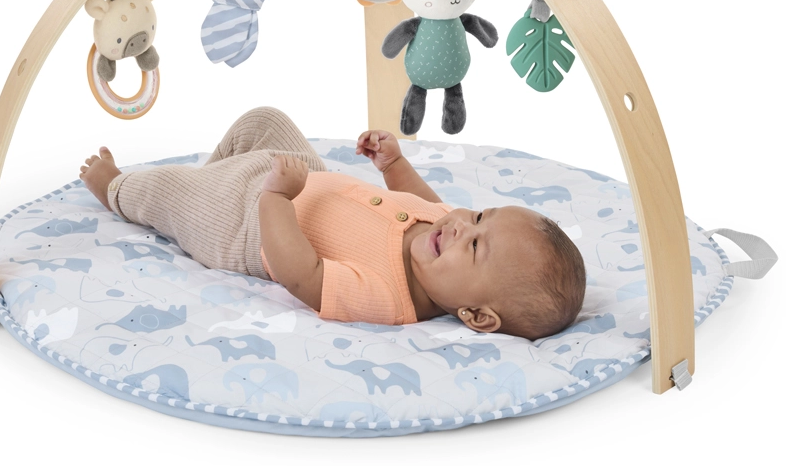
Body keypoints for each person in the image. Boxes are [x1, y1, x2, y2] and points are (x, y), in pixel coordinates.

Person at [79, 107, 585, 338]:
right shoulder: (441, 230)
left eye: (475, 247)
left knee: (171, 192)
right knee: (265, 121)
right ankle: (216, 173)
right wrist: (393, 165)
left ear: (476, 315)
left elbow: (303, 273)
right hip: (304, 175)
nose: (459, 227)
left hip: (247, 224)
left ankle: (117, 188)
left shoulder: (390, 299)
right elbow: (423, 200)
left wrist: (276, 197)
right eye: (478, 216)